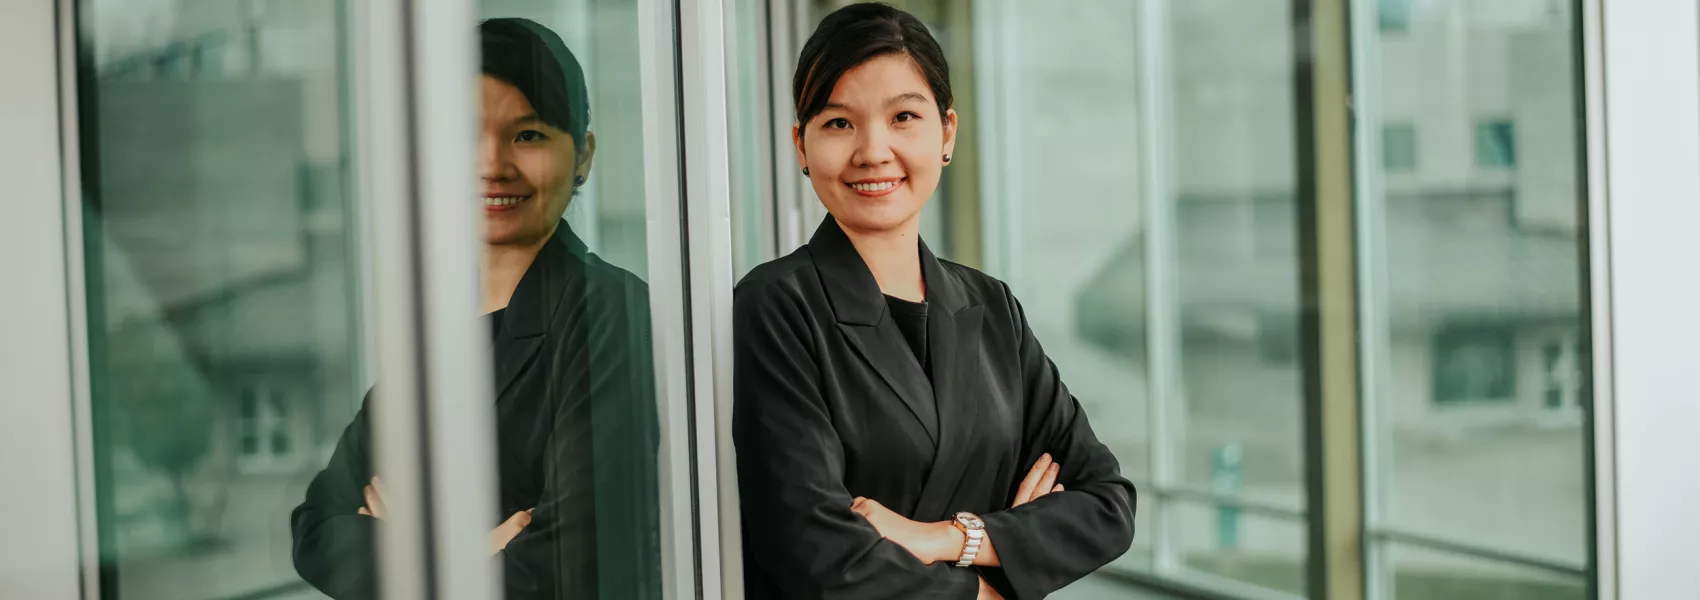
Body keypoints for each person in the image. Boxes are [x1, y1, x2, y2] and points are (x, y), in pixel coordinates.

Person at [732, 3, 1137, 599]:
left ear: (946, 132)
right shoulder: (774, 306)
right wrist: (990, 587)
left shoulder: (992, 308)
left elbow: (1106, 503)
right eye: (839, 123)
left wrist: (951, 538)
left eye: (903, 117)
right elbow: (816, 551)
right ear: (801, 144)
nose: (873, 150)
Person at [290, 17, 660, 600]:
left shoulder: (608, 310)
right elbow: (315, 525)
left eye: (529, 135)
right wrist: (457, 555)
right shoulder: (439, 327)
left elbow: (571, 560)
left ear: (583, 155)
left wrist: (407, 548)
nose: (492, 164)